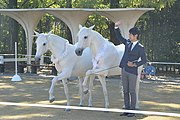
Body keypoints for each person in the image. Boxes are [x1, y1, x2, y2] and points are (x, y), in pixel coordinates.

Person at [114, 21, 147, 117]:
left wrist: (135, 64)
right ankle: (126, 109)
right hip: (124, 69)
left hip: (132, 72)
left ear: (135, 35)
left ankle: (133, 110)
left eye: (130, 34)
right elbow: (119, 37)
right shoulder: (127, 42)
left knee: (132, 91)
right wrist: (116, 27)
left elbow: (144, 60)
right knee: (125, 90)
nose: (129, 36)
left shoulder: (141, 48)